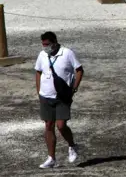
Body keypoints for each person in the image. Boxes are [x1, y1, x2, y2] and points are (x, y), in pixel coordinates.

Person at [34, 32, 83, 169]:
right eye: (43, 44)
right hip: (45, 96)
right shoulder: (42, 55)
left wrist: (74, 89)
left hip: (62, 96)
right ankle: (51, 158)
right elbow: (38, 72)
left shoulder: (67, 53)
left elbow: (79, 70)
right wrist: (39, 91)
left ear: (54, 42)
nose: (45, 47)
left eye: (47, 44)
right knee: (48, 125)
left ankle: (72, 146)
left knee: (61, 125)